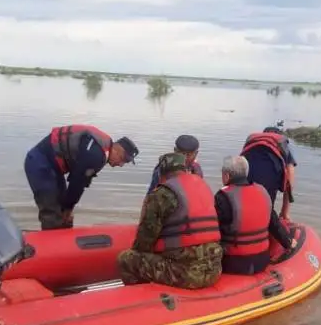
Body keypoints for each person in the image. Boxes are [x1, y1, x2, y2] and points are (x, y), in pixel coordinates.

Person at [117, 152, 223, 289]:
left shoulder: (161, 194)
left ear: (162, 173)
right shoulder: (203, 186)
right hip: (214, 269)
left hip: (186, 274)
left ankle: (143, 300)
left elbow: (144, 243)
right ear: (185, 169)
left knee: (126, 259)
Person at [24, 124, 139, 230]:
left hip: (53, 167)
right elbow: (77, 182)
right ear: (118, 149)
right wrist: (68, 208)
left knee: (64, 209)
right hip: (40, 163)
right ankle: (49, 246)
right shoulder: (96, 155)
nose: (121, 164)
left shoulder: (102, 150)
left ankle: (64, 241)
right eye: (124, 159)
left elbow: (81, 182)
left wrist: (68, 208)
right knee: (52, 212)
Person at [215, 156, 296, 275]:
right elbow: (275, 225)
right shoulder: (263, 192)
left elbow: (212, 230)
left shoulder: (222, 197)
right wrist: (288, 242)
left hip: (231, 263)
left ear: (226, 175)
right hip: (261, 261)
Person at [239, 126, 298, 220]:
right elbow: (290, 179)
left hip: (245, 176)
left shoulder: (253, 141)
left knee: (246, 209)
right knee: (266, 211)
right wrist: (284, 212)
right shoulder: (281, 144)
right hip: (271, 175)